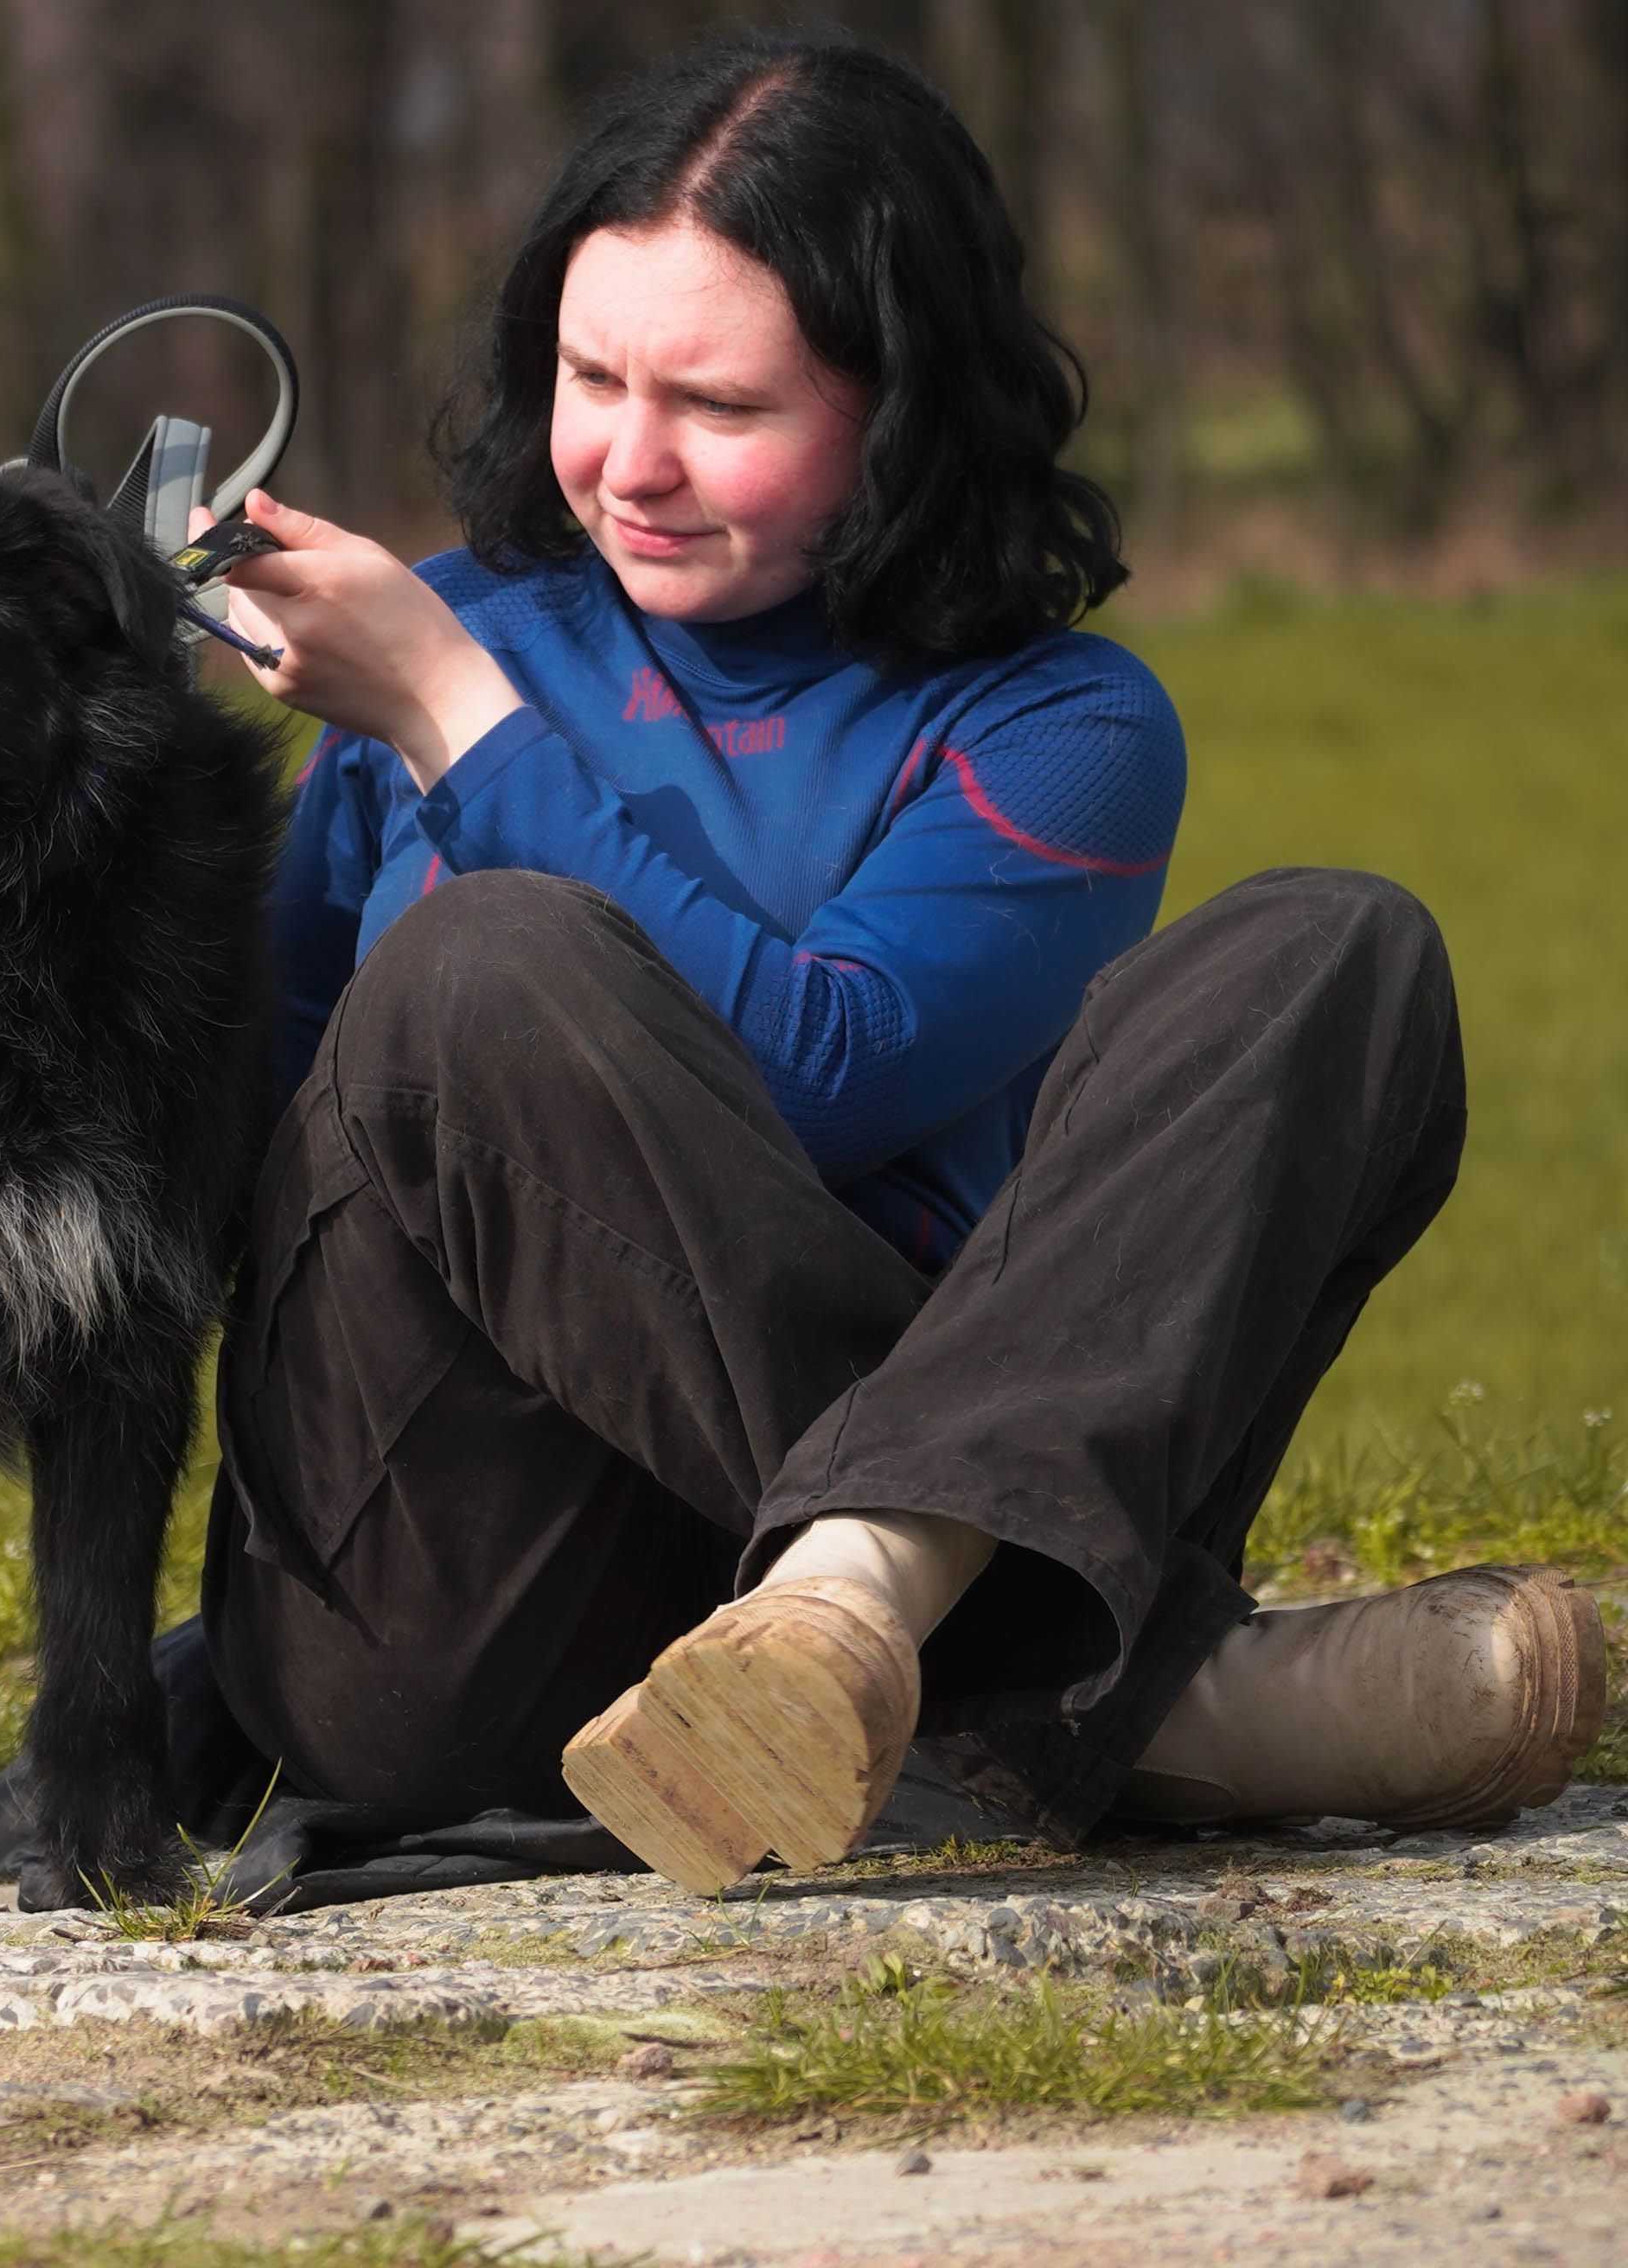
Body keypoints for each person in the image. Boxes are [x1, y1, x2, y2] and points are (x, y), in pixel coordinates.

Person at [189, 33, 1606, 1896]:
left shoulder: (1056, 726)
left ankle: (858, 1612)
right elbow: (260, 1156)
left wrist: (461, 732)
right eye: (589, 374)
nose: (629, 459)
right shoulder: (436, 643)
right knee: (481, 974)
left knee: (1336, 947)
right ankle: (1104, 1698)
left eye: (721, 403)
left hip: (787, 1554)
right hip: (446, 1589)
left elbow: (820, 1070)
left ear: (903, 403)